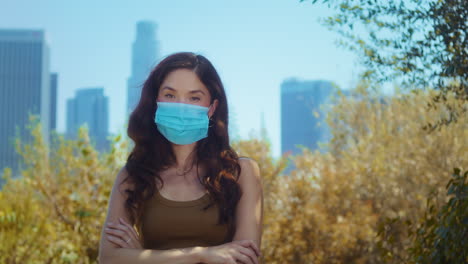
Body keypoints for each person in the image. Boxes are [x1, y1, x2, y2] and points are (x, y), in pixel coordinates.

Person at [98, 52, 263, 264]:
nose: (181, 106)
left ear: (211, 108)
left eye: (194, 98)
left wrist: (140, 257)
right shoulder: (132, 176)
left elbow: (244, 259)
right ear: (155, 101)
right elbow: (109, 258)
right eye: (170, 95)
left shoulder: (241, 172)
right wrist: (200, 254)